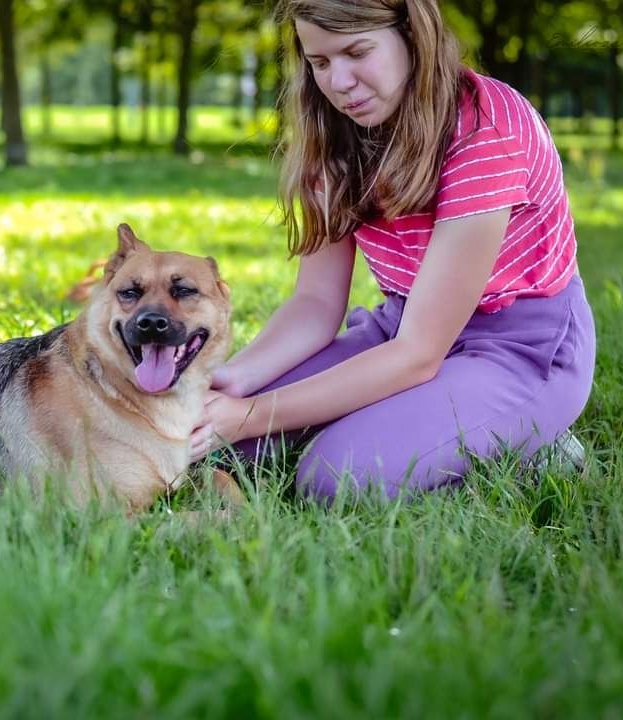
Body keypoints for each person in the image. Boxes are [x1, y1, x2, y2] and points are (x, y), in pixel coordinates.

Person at [190, 0, 596, 502]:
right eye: (319, 63)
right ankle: (411, 425)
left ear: (411, 35)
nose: (339, 82)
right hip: (402, 326)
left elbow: (419, 355)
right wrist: (233, 382)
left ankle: (535, 447)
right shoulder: (334, 133)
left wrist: (255, 414)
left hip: (518, 348)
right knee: (217, 446)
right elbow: (316, 304)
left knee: (337, 479)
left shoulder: (486, 127)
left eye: (356, 52)